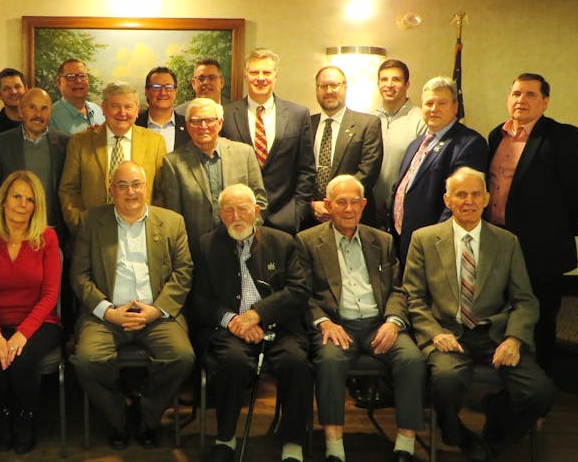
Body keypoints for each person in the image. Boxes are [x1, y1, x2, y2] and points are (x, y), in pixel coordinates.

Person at [405, 167, 555, 461]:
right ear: (447, 200)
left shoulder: (506, 241)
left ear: (487, 199)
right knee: (445, 382)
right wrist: (435, 333)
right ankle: (455, 434)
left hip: (494, 335)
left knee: (541, 392)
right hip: (448, 333)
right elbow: (413, 297)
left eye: (476, 194)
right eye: (461, 194)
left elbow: (525, 300)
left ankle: (498, 429)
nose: (469, 201)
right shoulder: (423, 239)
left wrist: (513, 339)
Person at [296, 175, 424, 462]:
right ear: (328, 205)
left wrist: (393, 322)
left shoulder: (383, 241)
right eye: (341, 202)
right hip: (336, 326)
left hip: (380, 323)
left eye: (355, 202)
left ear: (364, 204)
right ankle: (334, 449)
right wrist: (324, 323)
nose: (349, 209)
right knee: (328, 362)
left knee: (412, 359)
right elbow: (301, 294)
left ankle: (405, 445)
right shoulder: (307, 242)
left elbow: (398, 289)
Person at [71, 161, 194, 450]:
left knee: (182, 356)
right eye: (122, 185)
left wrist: (157, 310)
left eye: (136, 184)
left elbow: (184, 271)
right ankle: (120, 417)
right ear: (111, 190)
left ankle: (147, 416)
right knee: (88, 360)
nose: (130, 192)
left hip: (158, 315)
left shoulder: (172, 221)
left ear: (146, 187)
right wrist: (107, 311)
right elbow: (79, 275)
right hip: (106, 315)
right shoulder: (92, 221)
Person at [192, 183, 313, 462]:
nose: (236, 216)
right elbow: (199, 299)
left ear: (256, 211)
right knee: (231, 362)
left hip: (278, 327)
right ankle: (225, 439)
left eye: (243, 209)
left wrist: (257, 314)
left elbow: (298, 291)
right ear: (220, 215)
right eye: (228, 210)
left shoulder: (283, 242)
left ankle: (293, 443)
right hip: (230, 330)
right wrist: (232, 320)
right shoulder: (206, 245)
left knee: (296, 363)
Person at [486, 73, 578, 373]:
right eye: (516, 94)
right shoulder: (497, 135)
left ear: (545, 101)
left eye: (531, 94)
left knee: (540, 318)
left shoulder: (563, 136)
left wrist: (561, 229)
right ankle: (508, 382)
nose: (522, 100)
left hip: (542, 249)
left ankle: (540, 389)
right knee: (505, 314)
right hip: (499, 243)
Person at [0, 171, 62, 454]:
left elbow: (50, 295)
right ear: (4, 200)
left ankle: (26, 415)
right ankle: (2, 413)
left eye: (30, 199)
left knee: (21, 361)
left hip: (39, 322)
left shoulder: (47, 238)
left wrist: (22, 334)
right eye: (17, 196)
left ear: (37, 206)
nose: (23, 204)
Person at [154, 97, 267, 257]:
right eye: (196, 121)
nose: (203, 126)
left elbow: (260, 200)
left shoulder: (245, 153)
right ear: (187, 126)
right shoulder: (173, 162)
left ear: (220, 123)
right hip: (197, 252)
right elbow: (174, 215)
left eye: (209, 120)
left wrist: (246, 231)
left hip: (244, 245)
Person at [391, 76, 487, 265]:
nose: (434, 109)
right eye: (429, 103)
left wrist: (437, 239)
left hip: (437, 244)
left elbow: (459, 201)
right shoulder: (416, 144)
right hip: (404, 239)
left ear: (455, 107)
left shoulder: (469, 143)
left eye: (441, 103)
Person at [220, 48, 315, 235]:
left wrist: (297, 211)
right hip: (237, 217)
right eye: (254, 72)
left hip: (285, 218)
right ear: (245, 76)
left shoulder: (298, 114)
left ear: (276, 76)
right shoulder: (227, 114)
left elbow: (306, 169)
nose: (260, 78)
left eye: (267, 72)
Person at [58, 81, 167, 234]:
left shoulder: (155, 143)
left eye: (128, 107)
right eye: (115, 106)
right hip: (92, 234)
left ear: (137, 111)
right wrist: (80, 225)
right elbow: (68, 190)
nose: (122, 113)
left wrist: (152, 228)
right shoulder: (80, 142)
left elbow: (162, 191)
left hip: (142, 233)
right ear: (103, 108)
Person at [0, 88, 69, 234]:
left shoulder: (65, 144)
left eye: (44, 108)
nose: (38, 114)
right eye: (32, 107)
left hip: (53, 232)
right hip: (11, 232)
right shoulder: (1, 142)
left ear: (50, 112)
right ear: (21, 111)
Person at [308, 66, 383, 227]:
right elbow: (299, 171)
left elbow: (368, 171)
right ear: (316, 90)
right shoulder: (306, 124)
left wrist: (335, 204)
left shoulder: (368, 124)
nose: (329, 91)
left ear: (345, 87)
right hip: (312, 219)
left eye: (335, 85)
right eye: (323, 86)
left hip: (353, 217)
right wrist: (312, 203)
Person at [372, 60, 426, 228]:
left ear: (407, 84)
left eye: (396, 79)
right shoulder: (368, 119)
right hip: (369, 212)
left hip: (404, 212)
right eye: (384, 79)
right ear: (378, 83)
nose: (389, 85)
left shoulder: (421, 120)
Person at [136, 66, 190, 151]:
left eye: (168, 87)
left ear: (175, 91)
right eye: (156, 87)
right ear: (147, 91)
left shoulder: (189, 127)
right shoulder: (134, 124)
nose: (163, 92)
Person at [49, 58, 104, 135]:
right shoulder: (51, 116)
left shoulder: (98, 111)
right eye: (71, 76)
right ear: (59, 82)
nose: (78, 81)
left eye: (82, 76)